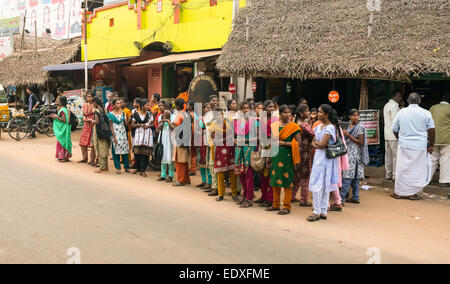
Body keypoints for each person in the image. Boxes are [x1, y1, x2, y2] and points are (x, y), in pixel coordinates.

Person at [391, 93, 435, 200]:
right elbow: (432, 130)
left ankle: (399, 192)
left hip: (404, 145)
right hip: (420, 146)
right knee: (417, 170)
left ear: (408, 101)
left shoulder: (401, 112)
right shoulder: (426, 113)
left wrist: (400, 139)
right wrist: (431, 145)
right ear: (419, 101)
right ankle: (414, 193)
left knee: (402, 169)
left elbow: (395, 129)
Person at [265, 105, 301, 215]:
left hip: (288, 156)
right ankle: (275, 204)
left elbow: (298, 143)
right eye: (285, 112)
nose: (288, 114)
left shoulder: (294, 127)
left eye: (289, 112)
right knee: (275, 179)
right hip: (275, 155)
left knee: (287, 181)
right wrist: (268, 157)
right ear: (280, 113)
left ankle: (286, 206)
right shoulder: (274, 125)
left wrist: (284, 143)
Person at [307, 104, 340, 222]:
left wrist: (318, 144)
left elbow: (320, 144)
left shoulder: (330, 127)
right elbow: (314, 143)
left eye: (320, 112)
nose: (318, 114)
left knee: (320, 185)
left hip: (325, 160)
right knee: (322, 184)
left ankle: (317, 212)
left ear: (326, 114)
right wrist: (318, 144)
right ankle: (322, 211)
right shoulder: (319, 126)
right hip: (319, 157)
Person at [341, 109, 369, 204]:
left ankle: (341, 199)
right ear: (349, 116)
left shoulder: (359, 127)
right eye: (353, 115)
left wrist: (348, 135)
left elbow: (361, 142)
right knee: (355, 177)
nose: (355, 117)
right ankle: (355, 197)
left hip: (354, 154)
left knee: (347, 176)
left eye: (357, 115)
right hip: (349, 153)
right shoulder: (349, 125)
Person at [235, 102, 259, 208]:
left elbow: (258, 137)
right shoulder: (239, 122)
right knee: (241, 174)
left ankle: (249, 198)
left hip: (249, 149)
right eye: (243, 108)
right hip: (240, 149)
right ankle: (244, 196)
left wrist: (245, 140)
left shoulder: (255, 122)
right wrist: (235, 140)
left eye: (247, 108)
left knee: (248, 175)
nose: (245, 110)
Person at [254, 100, 277, 207]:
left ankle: (270, 198)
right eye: (269, 107)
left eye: (273, 107)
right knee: (262, 173)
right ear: (265, 108)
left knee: (270, 174)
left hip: (271, 146)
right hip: (262, 145)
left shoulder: (275, 119)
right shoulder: (262, 118)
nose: (271, 108)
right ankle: (263, 196)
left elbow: (275, 136)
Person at [292, 104, 314, 207]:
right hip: (305, 152)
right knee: (305, 176)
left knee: (296, 175)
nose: (309, 113)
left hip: (296, 151)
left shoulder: (294, 123)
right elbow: (313, 134)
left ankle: (291, 196)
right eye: (307, 111)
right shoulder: (304, 125)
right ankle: (303, 199)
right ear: (301, 113)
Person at [213, 108, 238, 202]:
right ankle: (220, 194)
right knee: (220, 173)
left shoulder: (229, 123)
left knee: (232, 172)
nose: (219, 116)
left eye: (220, 114)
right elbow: (214, 139)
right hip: (220, 150)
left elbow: (233, 135)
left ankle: (234, 193)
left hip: (230, 149)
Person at [429, 93, 450, 187]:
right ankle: (443, 181)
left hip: (433, 138)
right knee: (445, 160)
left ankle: (426, 179)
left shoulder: (433, 108)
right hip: (447, 139)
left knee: (432, 159)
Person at [383, 90, 403, 181]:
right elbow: (396, 122)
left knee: (388, 156)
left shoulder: (387, 105)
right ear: (395, 96)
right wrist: (398, 135)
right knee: (396, 156)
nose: (400, 98)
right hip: (393, 135)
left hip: (387, 134)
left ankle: (388, 174)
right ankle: (395, 175)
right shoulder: (394, 106)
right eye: (399, 96)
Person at [131, 99, 153, 177]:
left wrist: (148, 126)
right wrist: (140, 125)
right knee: (137, 153)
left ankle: (143, 170)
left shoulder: (150, 114)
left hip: (147, 135)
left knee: (145, 154)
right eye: (147, 105)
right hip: (138, 135)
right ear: (142, 106)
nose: (148, 106)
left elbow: (152, 124)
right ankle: (138, 168)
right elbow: (132, 125)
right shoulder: (135, 114)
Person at [108, 98, 130, 174]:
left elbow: (125, 124)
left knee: (125, 151)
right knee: (116, 151)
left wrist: (129, 120)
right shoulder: (111, 114)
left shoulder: (123, 113)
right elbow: (111, 126)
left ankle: (127, 167)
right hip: (116, 134)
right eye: (117, 103)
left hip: (123, 134)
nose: (119, 105)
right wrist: (114, 137)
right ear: (113, 105)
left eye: (120, 103)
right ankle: (118, 167)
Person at [173, 98, 191, 186]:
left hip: (180, 139)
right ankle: (187, 179)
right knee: (184, 160)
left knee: (179, 161)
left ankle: (181, 180)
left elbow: (174, 126)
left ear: (177, 106)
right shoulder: (187, 114)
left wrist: (168, 121)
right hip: (187, 139)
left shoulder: (179, 114)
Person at [157, 101, 176, 183]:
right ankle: (163, 174)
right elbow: (159, 129)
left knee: (170, 156)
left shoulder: (174, 117)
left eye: (168, 109)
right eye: (166, 109)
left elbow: (173, 128)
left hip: (171, 139)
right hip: (162, 138)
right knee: (163, 155)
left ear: (170, 109)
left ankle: (171, 175)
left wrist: (168, 120)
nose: (167, 111)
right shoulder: (160, 116)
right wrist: (162, 121)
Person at [196, 103, 213, 189]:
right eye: (207, 108)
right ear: (203, 109)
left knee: (208, 162)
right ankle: (204, 180)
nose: (208, 109)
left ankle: (210, 182)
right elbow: (198, 130)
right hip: (202, 141)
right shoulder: (201, 119)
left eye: (210, 108)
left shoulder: (213, 118)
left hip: (210, 141)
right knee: (201, 161)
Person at [92, 97, 111, 173]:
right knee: (104, 148)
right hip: (105, 131)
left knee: (99, 148)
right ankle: (105, 167)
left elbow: (96, 122)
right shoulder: (104, 110)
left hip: (98, 131)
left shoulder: (96, 111)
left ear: (95, 103)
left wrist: (91, 120)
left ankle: (102, 167)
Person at [52, 96, 72, 163]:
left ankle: (63, 156)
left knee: (62, 142)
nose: (57, 102)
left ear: (61, 102)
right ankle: (64, 156)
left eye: (58, 101)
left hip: (63, 129)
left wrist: (56, 117)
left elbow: (64, 120)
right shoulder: (64, 109)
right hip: (64, 128)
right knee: (63, 142)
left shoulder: (63, 110)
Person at [78, 92, 96, 165]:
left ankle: (92, 160)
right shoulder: (84, 105)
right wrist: (85, 118)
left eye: (90, 97)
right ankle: (84, 158)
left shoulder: (95, 105)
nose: (89, 98)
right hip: (86, 125)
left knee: (92, 143)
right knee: (82, 142)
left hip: (92, 124)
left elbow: (95, 114)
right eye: (87, 97)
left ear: (93, 97)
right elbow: (83, 114)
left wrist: (90, 119)